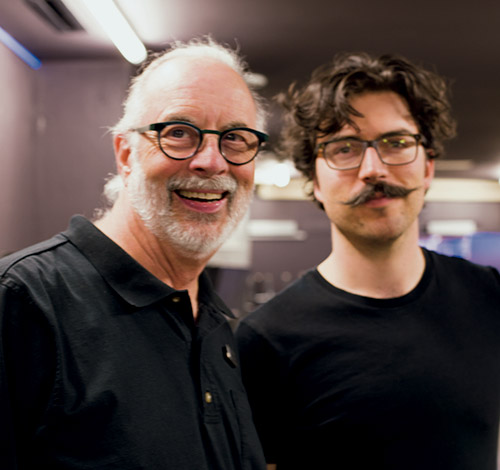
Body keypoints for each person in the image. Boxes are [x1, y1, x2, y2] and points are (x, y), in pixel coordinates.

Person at [0, 37, 269, 469]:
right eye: (179, 133)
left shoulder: (214, 325)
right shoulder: (24, 303)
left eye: (236, 138)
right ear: (125, 153)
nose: (212, 161)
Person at [236, 52, 500, 469]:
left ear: (428, 167)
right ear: (315, 183)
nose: (373, 169)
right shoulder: (267, 340)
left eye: (396, 143)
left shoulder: (488, 296)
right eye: (344, 148)